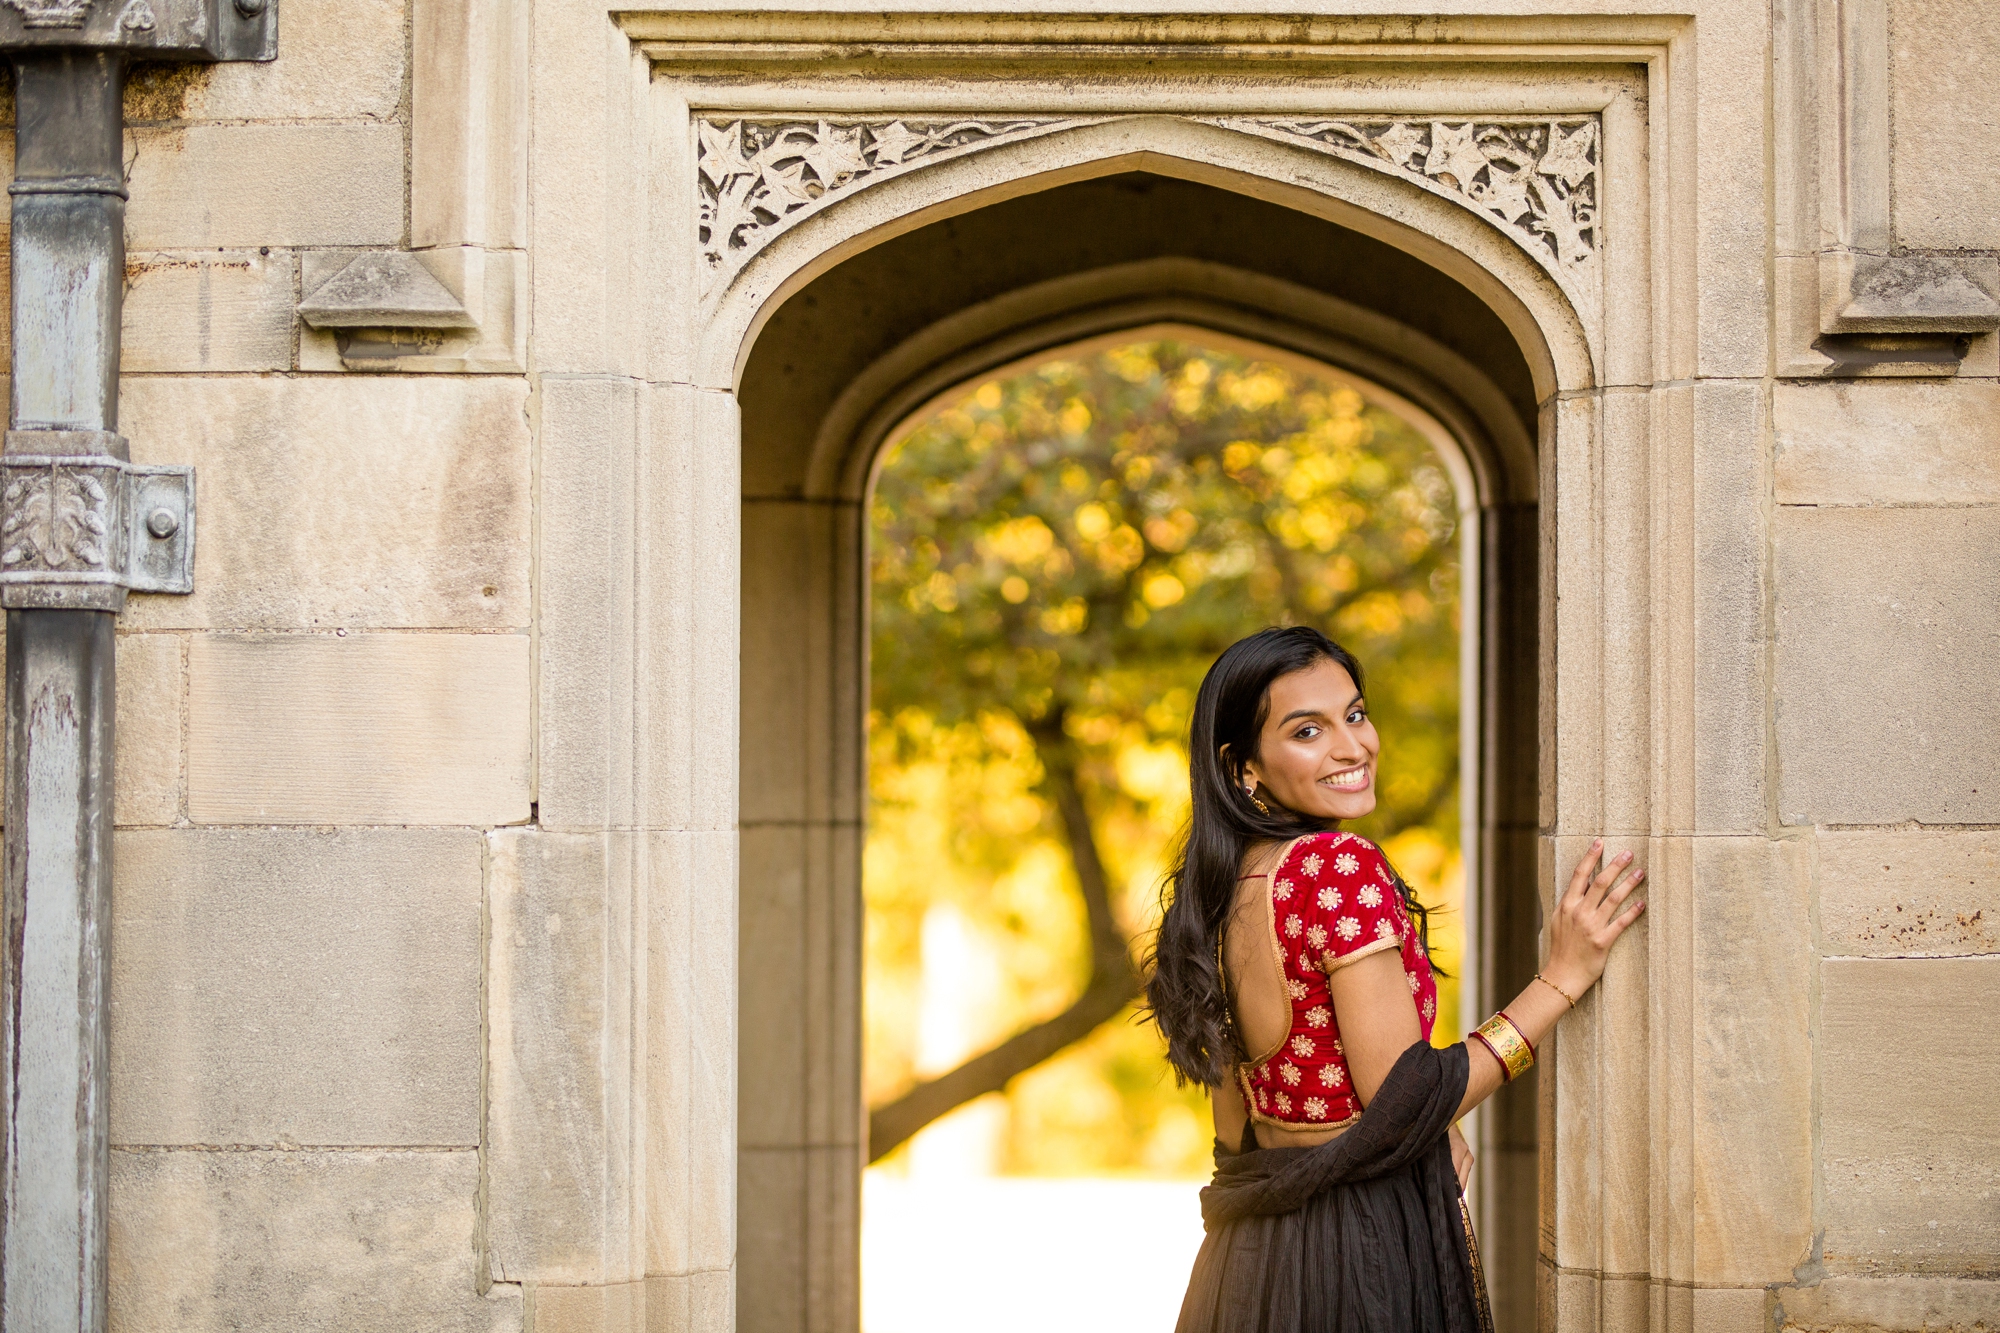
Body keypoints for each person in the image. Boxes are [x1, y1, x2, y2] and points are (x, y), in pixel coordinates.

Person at [1144, 626, 1645, 1332]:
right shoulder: (1335, 866)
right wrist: (1561, 978)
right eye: (1307, 730)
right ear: (1242, 766)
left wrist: (1425, 1128)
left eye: (1354, 713)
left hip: (1250, 1263)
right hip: (1356, 1253)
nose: (1352, 746)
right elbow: (1404, 1093)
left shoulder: (1221, 889)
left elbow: (1238, 1126)